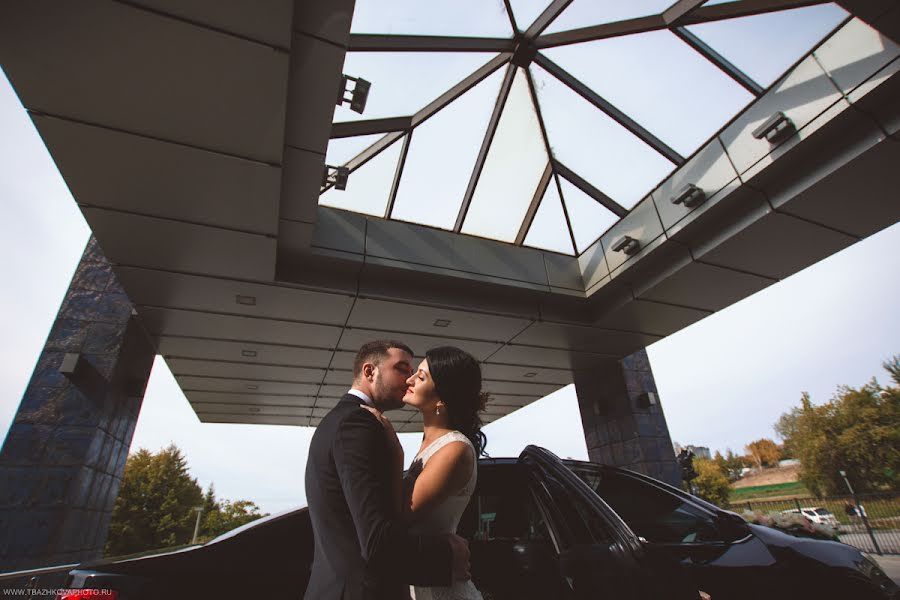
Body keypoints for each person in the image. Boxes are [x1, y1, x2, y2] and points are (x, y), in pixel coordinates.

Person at [304, 340, 471, 600]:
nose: (409, 378)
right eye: (402, 369)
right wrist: (447, 554)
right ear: (370, 372)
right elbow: (376, 541)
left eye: (416, 372)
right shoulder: (356, 424)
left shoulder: (347, 420)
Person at [362, 346, 487, 600]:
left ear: (441, 397)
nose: (408, 380)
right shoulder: (429, 444)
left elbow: (402, 515)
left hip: (443, 590)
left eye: (420, 377)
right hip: (422, 581)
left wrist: (394, 452)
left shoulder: (454, 449)